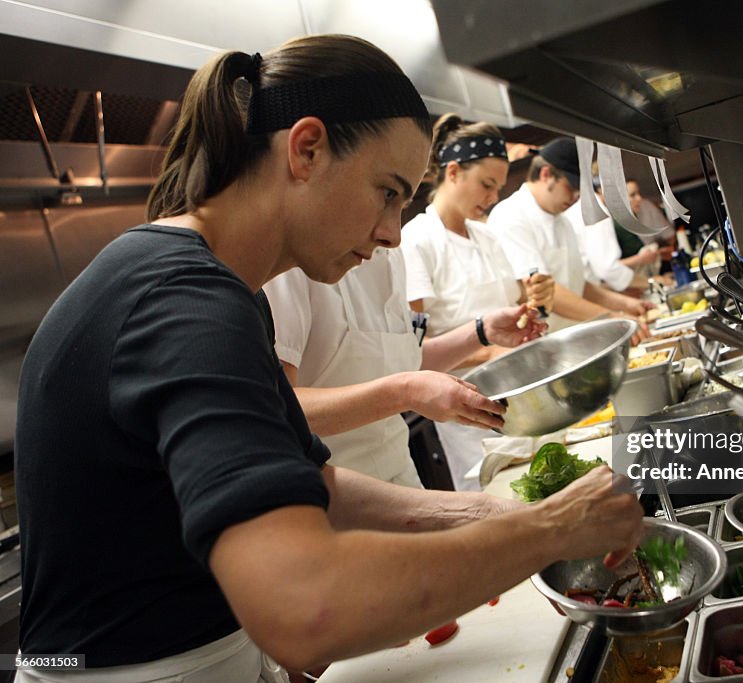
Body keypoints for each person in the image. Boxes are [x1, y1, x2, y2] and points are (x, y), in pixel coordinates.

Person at [13, 35, 644, 682]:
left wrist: (492, 513)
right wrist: (554, 530)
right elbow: (303, 606)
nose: (394, 231)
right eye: (387, 191)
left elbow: (320, 484)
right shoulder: (185, 302)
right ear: (306, 149)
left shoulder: (224, 291)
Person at [263, 247, 547, 488]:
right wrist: (405, 392)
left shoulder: (390, 253)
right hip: (333, 494)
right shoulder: (290, 269)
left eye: (405, 203)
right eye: (388, 193)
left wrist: (481, 332)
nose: (395, 234)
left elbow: (402, 359)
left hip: (401, 477)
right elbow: (278, 409)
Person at [401, 114, 555, 489]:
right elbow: (410, 350)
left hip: (521, 394)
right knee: (500, 502)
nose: (493, 198)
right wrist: (488, 353)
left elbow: (518, 305)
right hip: (467, 411)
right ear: (453, 172)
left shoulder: (486, 237)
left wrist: (539, 299)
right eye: (487, 185)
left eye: (498, 188)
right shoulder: (416, 241)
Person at [486, 137, 653, 334]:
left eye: (579, 190)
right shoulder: (510, 217)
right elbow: (546, 294)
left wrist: (626, 304)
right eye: (571, 187)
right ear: (546, 174)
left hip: (574, 334)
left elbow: (578, 285)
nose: (576, 197)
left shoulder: (562, 222)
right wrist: (611, 317)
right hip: (541, 340)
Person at [566, 180, 662, 294]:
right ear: (601, 189)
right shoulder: (597, 212)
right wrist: (651, 282)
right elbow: (607, 269)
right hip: (580, 292)